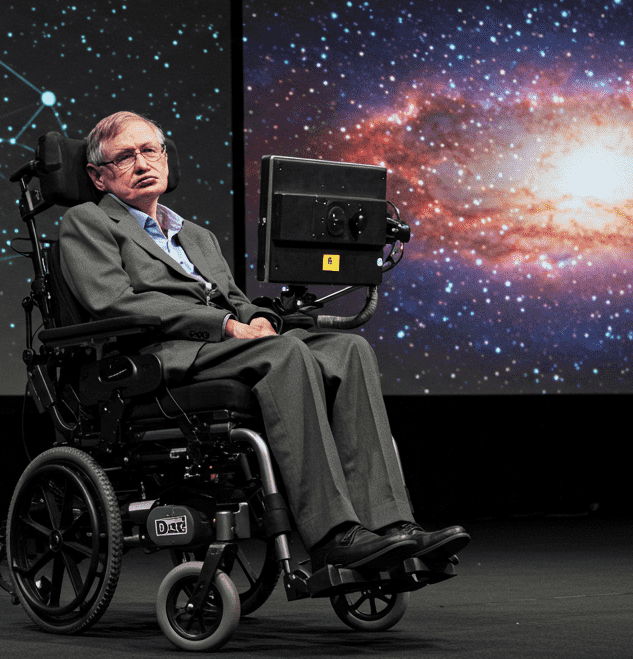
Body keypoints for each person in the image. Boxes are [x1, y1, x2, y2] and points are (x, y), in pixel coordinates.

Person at [58, 111, 467, 571]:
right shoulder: (88, 222)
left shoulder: (196, 235)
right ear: (97, 176)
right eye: (124, 157)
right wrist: (227, 326)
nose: (141, 163)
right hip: (161, 357)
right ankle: (332, 534)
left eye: (149, 150)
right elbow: (114, 303)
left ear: (166, 159)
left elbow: (233, 298)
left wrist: (258, 319)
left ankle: (392, 524)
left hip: (228, 347)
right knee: (288, 355)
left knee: (349, 350)